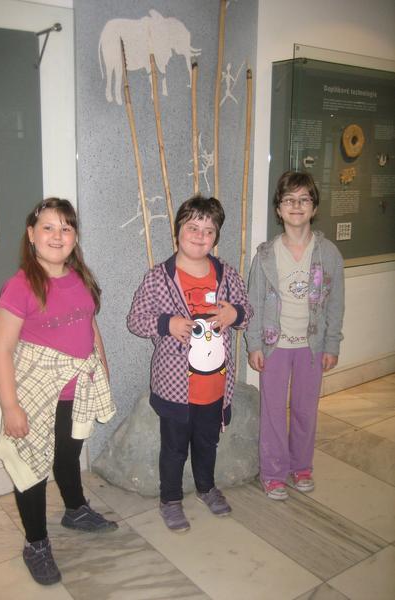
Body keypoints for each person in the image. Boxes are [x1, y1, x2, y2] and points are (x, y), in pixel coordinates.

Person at [0, 198, 117, 585]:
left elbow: (90, 328)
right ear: (31, 235)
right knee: (32, 468)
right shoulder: (20, 286)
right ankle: (36, 543)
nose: (57, 235)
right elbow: (2, 351)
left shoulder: (80, 278)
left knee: (67, 455)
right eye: (48, 227)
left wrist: (103, 371)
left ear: (75, 236)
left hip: (76, 394)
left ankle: (75, 509)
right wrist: (10, 407)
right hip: (37, 396)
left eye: (66, 227)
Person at [127, 195, 253, 533]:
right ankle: (169, 499)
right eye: (193, 228)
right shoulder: (159, 278)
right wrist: (166, 324)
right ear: (178, 231)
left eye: (209, 231)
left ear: (216, 237)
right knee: (173, 448)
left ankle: (206, 487)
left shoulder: (227, 274)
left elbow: (247, 313)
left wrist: (235, 314)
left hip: (215, 386)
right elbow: (135, 320)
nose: (200, 236)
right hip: (174, 387)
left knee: (207, 443)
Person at [245, 171, 344, 500]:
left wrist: (332, 344)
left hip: (311, 347)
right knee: (273, 411)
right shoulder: (265, 255)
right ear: (279, 209)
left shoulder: (329, 254)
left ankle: (301, 466)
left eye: (304, 199)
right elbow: (254, 303)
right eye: (289, 200)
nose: (297, 205)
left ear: (314, 207)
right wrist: (254, 344)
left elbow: (336, 303)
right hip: (274, 347)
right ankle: (273, 473)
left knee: (305, 409)